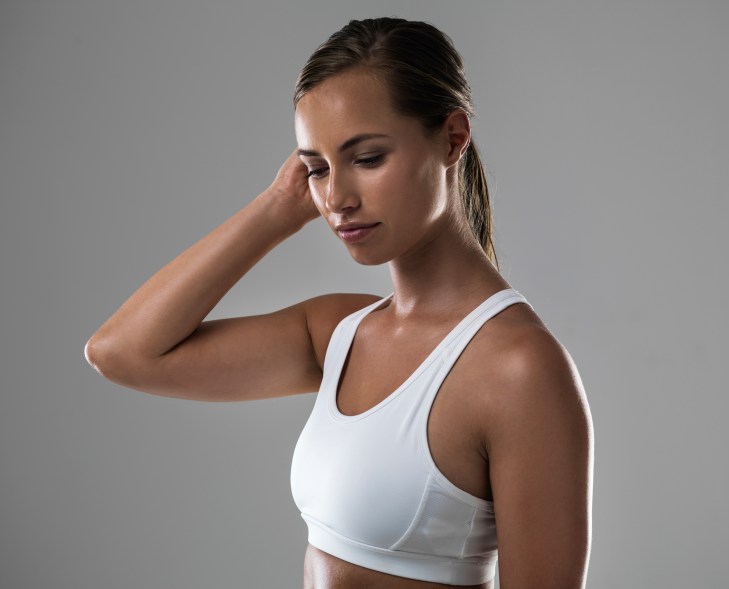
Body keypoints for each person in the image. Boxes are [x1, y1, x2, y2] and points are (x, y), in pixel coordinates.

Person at [85, 17, 594, 589]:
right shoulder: (339, 333)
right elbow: (121, 352)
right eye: (317, 169)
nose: (335, 199)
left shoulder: (518, 369)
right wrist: (278, 205)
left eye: (367, 158)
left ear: (453, 138)